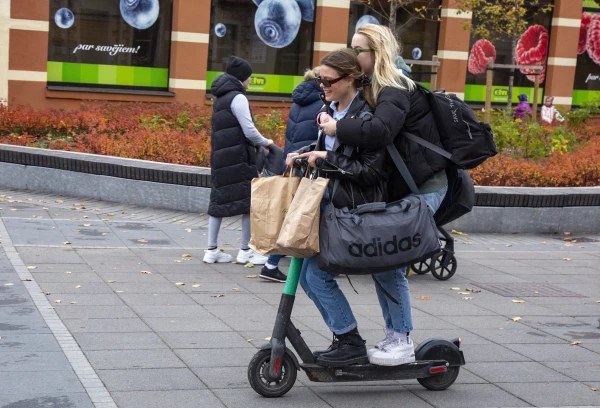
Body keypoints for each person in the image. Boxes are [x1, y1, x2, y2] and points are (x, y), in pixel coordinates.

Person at [318, 24, 449, 366]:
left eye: (358, 49)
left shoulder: (395, 85)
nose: (353, 54)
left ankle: (402, 340)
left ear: (376, 53)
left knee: (389, 263)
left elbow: (379, 131)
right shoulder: (376, 85)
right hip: (403, 185)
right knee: (384, 263)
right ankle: (395, 336)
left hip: (424, 187)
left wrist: (336, 127)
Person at [285, 48, 387, 367]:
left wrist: (327, 161)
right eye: (320, 79)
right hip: (326, 204)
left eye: (328, 80)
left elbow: (369, 172)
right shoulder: (331, 108)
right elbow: (326, 151)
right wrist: (303, 154)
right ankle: (345, 339)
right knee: (304, 276)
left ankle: (350, 340)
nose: (323, 85)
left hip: (349, 211)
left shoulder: (363, 118)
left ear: (350, 79)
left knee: (315, 276)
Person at [203, 56, 272, 266]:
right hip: (239, 158)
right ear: (242, 77)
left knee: (217, 201)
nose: (250, 81)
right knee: (248, 204)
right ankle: (245, 251)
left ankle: (211, 250)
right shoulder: (238, 98)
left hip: (221, 156)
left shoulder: (220, 97)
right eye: (249, 77)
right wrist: (266, 141)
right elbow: (249, 130)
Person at [261, 67, 324, 283]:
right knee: (301, 216)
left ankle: (272, 262)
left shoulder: (299, 100)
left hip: (295, 161)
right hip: (310, 164)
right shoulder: (322, 103)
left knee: (295, 214)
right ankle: (272, 263)